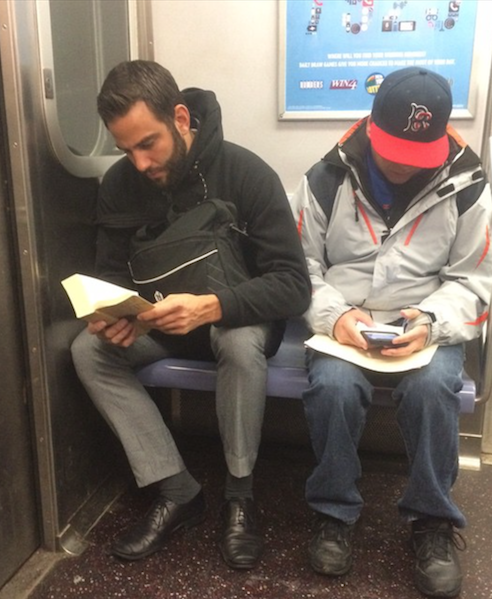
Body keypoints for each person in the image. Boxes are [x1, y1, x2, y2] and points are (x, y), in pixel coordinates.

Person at [71, 60, 311, 570]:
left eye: (148, 143)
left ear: (181, 118)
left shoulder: (246, 173)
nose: (138, 163)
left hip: (232, 318)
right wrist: (113, 316)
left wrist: (213, 306)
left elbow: (293, 285)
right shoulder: (120, 185)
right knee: (88, 350)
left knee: (238, 340)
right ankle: (178, 489)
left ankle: (240, 497)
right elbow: (111, 274)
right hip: (160, 324)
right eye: (125, 149)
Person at [292, 67, 492, 597]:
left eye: (419, 153)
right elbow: (298, 269)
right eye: (394, 150)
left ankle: (432, 521)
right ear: (370, 126)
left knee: (432, 389)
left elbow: (474, 281)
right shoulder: (325, 178)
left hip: (425, 317)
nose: (406, 163)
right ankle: (334, 512)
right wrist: (334, 315)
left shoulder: (468, 186)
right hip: (344, 315)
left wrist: (431, 323)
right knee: (335, 387)